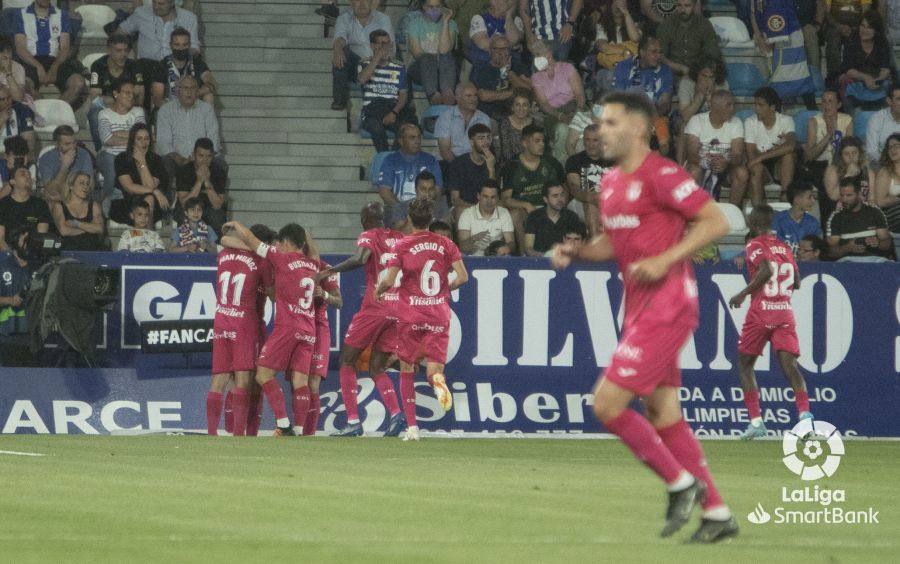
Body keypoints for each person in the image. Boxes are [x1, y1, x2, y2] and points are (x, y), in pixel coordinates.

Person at [551, 91, 736, 542]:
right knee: (663, 413)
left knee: (606, 404)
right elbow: (614, 245)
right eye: (600, 123)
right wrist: (578, 252)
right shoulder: (611, 184)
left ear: (639, 128)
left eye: (611, 123)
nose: (601, 131)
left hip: (669, 303)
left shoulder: (662, 174)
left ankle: (681, 483)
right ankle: (716, 514)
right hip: (639, 309)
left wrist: (666, 258)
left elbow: (716, 222)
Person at [376, 197, 469, 441]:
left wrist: (379, 290)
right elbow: (463, 277)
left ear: (409, 219)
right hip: (438, 313)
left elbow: (388, 279)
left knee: (407, 368)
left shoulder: (403, 245)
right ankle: (437, 381)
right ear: (431, 219)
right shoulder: (446, 244)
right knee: (434, 369)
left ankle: (413, 429)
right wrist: (443, 291)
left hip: (411, 315)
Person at [220, 221, 321, 436]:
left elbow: (251, 240)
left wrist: (237, 224)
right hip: (309, 329)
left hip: (288, 327)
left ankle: (283, 424)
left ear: (284, 242)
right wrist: (306, 236)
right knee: (300, 380)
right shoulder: (313, 264)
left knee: (263, 374)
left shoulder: (281, 258)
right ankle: (299, 430)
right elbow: (314, 253)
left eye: (280, 243)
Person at [314, 203, 406, 437]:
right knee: (377, 366)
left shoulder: (368, 235)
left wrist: (328, 271)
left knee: (347, 360)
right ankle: (396, 414)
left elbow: (361, 258)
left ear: (365, 220)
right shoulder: (400, 238)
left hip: (375, 306)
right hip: (398, 310)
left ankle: (353, 421)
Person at [728, 205, 813, 440]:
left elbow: (765, 271)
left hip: (761, 313)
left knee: (745, 365)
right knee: (790, 367)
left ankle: (756, 422)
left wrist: (744, 293)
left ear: (754, 223)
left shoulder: (754, 244)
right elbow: (796, 281)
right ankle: (805, 419)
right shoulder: (785, 247)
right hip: (784, 313)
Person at [207, 223, 275, 436]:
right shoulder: (262, 261)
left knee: (219, 379)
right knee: (245, 380)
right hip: (245, 323)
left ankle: (211, 433)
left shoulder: (223, 254)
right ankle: (239, 435)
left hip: (221, 318)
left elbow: (225, 240)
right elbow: (273, 295)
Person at [500, 124, 565, 252]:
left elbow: (564, 188)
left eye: (543, 141)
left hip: (549, 206)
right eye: (537, 141)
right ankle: (525, 254)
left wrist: (560, 202)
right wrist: (526, 204)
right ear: (524, 143)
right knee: (515, 214)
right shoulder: (512, 166)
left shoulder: (551, 163)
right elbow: (505, 199)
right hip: (525, 210)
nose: (542, 144)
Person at [13, 0, 86, 107]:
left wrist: (54, 67)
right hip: (30, 60)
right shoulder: (20, 14)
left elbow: (65, 48)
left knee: (78, 82)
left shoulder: (62, 15)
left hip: (55, 60)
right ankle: (41, 114)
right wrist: (38, 67)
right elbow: (20, 49)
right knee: (23, 85)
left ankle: (56, 111)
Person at [684, 90, 749, 205]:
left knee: (742, 173)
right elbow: (692, 155)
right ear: (715, 106)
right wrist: (710, 163)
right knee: (694, 171)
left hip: (726, 167)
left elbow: (738, 155)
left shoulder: (736, 122)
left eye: (733, 105)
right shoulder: (697, 121)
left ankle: (732, 212)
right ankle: (692, 212)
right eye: (728, 105)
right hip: (701, 164)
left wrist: (727, 162)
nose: (732, 109)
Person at [156, 75, 222, 187]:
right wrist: (181, 160)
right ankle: (166, 203)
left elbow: (213, 139)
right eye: (185, 88)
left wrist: (201, 160)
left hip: (203, 159)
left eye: (192, 88)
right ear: (177, 91)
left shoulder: (206, 109)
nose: (189, 92)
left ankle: (216, 203)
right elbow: (164, 143)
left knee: (221, 165)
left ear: (197, 91)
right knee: (164, 164)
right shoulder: (166, 110)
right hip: (175, 159)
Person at [613, 35, 674, 156]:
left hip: (655, 116)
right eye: (653, 52)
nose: (658, 56)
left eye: (660, 52)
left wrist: (650, 119)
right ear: (642, 52)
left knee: (664, 140)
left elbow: (665, 104)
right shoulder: (624, 66)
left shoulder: (665, 71)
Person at [305, 248, 343, 436]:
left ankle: (309, 433)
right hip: (298, 327)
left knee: (313, 383)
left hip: (319, 329)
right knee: (298, 382)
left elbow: (339, 302)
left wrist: (324, 295)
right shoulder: (293, 265)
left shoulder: (326, 270)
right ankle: (297, 428)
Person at [750, 0, 816, 108]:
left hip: (788, 36)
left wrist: (768, 43)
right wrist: (759, 37)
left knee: (799, 77)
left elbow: (776, 13)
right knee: (776, 82)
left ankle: (814, 114)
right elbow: (753, 12)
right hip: (769, 35)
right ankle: (776, 117)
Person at [358, 30, 415, 153]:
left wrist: (394, 112)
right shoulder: (364, 64)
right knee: (377, 129)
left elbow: (403, 96)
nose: (386, 47)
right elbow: (362, 79)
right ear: (372, 46)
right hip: (371, 111)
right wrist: (377, 57)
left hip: (392, 108)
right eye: (382, 43)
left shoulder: (399, 67)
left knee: (405, 130)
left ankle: (393, 158)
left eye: (388, 43)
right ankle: (384, 159)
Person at [87, 34, 147, 152]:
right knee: (94, 114)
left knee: (143, 113)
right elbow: (95, 95)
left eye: (126, 50)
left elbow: (140, 91)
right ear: (109, 50)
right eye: (118, 50)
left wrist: (125, 101)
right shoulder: (98, 65)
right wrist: (119, 102)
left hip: (130, 105)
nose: (123, 54)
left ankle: (141, 150)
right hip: (107, 106)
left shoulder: (134, 65)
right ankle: (101, 151)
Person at [375, 124, 444, 226]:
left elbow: (438, 189)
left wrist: (429, 208)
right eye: (412, 138)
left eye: (419, 137)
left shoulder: (430, 160)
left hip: (427, 208)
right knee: (401, 220)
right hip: (398, 206)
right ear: (401, 141)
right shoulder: (390, 160)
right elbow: (384, 191)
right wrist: (401, 208)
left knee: (444, 219)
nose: (417, 141)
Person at [331, 0, 393, 111]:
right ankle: (339, 101)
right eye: (358, 0)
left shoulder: (383, 19)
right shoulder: (344, 18)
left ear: (371, 3)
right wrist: (338, 48)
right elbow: (340, 37)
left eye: (366, 0)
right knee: (341, 52)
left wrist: (373, 62)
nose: (362, 3)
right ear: (351, 3)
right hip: (356, 66)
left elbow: (387, 47)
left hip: (378, 64)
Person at [97, 79, 146, 216]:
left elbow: (142, 138)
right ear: (116, 94)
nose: (131, 96)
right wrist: (132, 136)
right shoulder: (104, 113)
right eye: (127, 93)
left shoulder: (138, 111)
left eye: (133, 93)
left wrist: (119, 134)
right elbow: (107, 139)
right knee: (113, 174)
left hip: (132, 155)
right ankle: (103, 201)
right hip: (109, 154)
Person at [530, 39, 587, 158]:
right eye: (536, 55)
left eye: (542, 53)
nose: (540, 57)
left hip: (575, 106)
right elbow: (544, 104)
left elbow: (580, 94)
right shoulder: (536, 78)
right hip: (553, 112)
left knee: (579, 133)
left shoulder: (567, 68)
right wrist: (559, 115)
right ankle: (564, 164)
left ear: (550, 53)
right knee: (562, 130)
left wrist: (578, 112)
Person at [803, 88, 853, 219]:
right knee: (826, 182)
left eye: (831, 101)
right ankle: (829, 224)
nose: (826, 105)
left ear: (838, 105)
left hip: (841, 163)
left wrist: (836, 137)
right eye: (824, 102)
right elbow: (810, 156)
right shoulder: (814, 121)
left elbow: (849, 150)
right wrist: (828, 136)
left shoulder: (846, 120)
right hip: (819, 164)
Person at [744, 87, 796, 204]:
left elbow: (791, 146)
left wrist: (762, 155)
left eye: (761, 105)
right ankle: (758, 209)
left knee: (788, 155)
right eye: (755, 104)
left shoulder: (786, 120)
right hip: (763, 167)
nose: (756, 108)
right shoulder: (750, 122)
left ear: (772, 107)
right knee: (756, 168)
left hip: (779, 166)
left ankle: (784, 196)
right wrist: (776, 151)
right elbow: (752, 156)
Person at [826, 177, 895, 261]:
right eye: (842, 195)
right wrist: (847, 248)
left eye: (849, 195)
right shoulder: (836, 217)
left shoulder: (874, 211)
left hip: (875, 260)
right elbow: (831, 253)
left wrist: (878, 243)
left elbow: (887, 245)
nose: (844, 199)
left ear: (859, 194)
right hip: (848, 262)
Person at [114, 123, 169, 225]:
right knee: (149, 198)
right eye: (139, 139)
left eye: (147, 139)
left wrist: (143, 162)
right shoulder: (122, 158)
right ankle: (145, 236)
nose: (144, 142)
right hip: (128, 202)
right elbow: (129, 187)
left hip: (154, 204)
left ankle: (147, 237)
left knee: (149, 198)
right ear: (132, 141)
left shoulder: (156, 160)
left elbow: (150, 185)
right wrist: (155, 191)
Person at [407, 0, 459, 106]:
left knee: (447, 56)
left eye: (438, 6)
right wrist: (435, 57)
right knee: (427, 58)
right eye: (430, 7)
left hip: (444, 69)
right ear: (423, 7)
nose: (434, 10)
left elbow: (445, 50)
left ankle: (447, 93)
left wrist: (445, 22)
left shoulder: (451, 24)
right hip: (422, 69)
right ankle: (433, 95)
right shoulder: (414, 24)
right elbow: (417, 54)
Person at [565, 123, 613, 235]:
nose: (590, 144)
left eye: (595, 140)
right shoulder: (574, 160)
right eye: (587, 140)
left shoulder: (614, 160)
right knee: (590, 204)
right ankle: (595, 244)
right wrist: (591, 197)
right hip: (581, 202)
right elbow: (574, 188)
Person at [584, 0, 641, 95]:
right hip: (608, 69)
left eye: (621, 3)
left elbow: (635, 38)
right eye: (615, 2)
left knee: (630, 77)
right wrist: (625, 51)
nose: (618, 6)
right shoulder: (602, 25)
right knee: (611, 77)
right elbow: (602, 46)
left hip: (631, 69)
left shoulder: (634, 23)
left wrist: (626, 14)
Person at [470, 34, 531, 120]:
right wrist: (513, 92)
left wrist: (508, 72)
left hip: (515, 114)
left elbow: (527, 90)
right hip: (489, 114)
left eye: (504, 48)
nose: (501, 52)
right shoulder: (480, 68)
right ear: (490, 51)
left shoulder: (518, 65)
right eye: (496, 48)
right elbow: (483, 96)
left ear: (509, 51)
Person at [152, 27, 217, 107]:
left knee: (209, 96)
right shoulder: (162, 65)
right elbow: (157, 97)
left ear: (189, 45)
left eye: (184, 44)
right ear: (170, 45)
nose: (181, 48)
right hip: (171, 106)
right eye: (177, 45)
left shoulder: (197, 62)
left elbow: (211, 83)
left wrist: (192, 94)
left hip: (193, 103)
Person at [657, 0, 722, 80]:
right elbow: (660, 55)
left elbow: (711, 53)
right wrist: (680, 68)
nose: (683, 9)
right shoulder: (666, 24)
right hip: (671, 73)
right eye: (679, 5)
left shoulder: (704, 24)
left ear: (694, 5)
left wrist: (697, 71)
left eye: (687, 6)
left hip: (699, 74)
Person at [118, 0, 200, 61]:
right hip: (146, 67)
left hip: (175, 68)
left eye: (161, 4)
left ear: (172, 3)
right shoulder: (142, 13)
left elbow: (194, 47)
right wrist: (124, 50)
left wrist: (181, 54)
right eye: (154, 2)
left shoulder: (189, 18)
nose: (156, 7)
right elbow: (120, 32)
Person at [175, 138, 227, 234]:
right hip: (189, 207)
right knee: (184, 214)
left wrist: (207, 181)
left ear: (213, 157)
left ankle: (215, 246)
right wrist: (199, 182)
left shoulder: (219, 171)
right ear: (194, 155)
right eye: (201, 156)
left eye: (208, 156)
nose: (204, 160)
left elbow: (217, 204)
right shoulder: (184, 171)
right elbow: (184, 203)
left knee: (217, 216)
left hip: (209, 207)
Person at [446, 122, 496, 221]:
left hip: (488, 204)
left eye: (488, 137)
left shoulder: (492, 160)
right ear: (472, 142)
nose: (486, 142)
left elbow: (494, 193)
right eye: (481, 138)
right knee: (460, 210)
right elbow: (455, 199)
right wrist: (477, 209)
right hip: (465, 206)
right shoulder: (458, 163)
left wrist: (491, 169)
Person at [435, 83, 492, 163]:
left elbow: (484, 148)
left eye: (475, 95)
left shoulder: (484, 119)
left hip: (475, 163)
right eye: (468, 96)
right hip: (449, 162)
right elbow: (444, 151)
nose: (473, 99)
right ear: (457, 98)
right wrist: (461, 168)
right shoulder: (445, 117)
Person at [35, 125, 93, 204]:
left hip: (79, 201)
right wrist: (64, 167)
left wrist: (65, 198)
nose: (72, 147)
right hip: (56, 202)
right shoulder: (46, 158)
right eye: (67, 144)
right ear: (57, 144)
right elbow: (51, 191)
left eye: (74, 142)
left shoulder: (84, 154)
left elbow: (90, 185)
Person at [524, 183, 585, 255]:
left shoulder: (571, 216)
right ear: (545, 199)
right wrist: (543, 256)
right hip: (540, 261)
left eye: (562, 195)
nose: (560, 199)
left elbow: (577, 244)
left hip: (563, 260)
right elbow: (528, 248)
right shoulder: (534, 216)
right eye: (555, 196)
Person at [457, 179, 515, 255]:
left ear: (498, 198)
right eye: (485, 196)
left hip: (497, 258)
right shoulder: (467, 214)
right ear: (478, 196)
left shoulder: (504, 213)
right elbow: (462, 247)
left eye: (493, 197)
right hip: (472, 259)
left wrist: (505, 248)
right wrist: (474, 239)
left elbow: (511, 243)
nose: (489, 201)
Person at [50, 171, 104, 251]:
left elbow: (99, 228)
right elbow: (64, 231)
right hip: (68, 251)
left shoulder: (94, 205)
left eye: (87, 183)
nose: (85, 186)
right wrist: (89, 229)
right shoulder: (59, 206)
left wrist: (76, 224)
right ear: (71, 186)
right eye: (81, 183)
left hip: (92, 250)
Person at [0, 166, 49, 251]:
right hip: (8, 254)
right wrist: (13, 255)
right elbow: (1, 239)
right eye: (23, 174)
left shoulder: (40, 204)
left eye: (29, 174)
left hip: (33, 253)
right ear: (13, 181)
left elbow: (41, 236)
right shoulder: (3, 204)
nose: (28, 177)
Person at [468, 0, 524, 68]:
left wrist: (508, 16)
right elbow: (484, 45)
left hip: (512, 66)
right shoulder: (479, 18)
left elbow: (514, 39)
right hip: (484, 66)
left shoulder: (516, 20)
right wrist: (510, 46)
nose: (502, 3)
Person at [823, 135, 874, 208]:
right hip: (839, 212)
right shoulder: (833, 170)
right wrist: (848, 175)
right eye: (846, 154)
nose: (851, 157)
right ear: (841, 156)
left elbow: (872, 199)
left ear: (860, 153)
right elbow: (833, 197)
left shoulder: (868, 173)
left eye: (854, 153)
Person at [773, 180, 822, 255]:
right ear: (797, 200)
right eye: (809, 197)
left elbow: (814, 252)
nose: (813, 200)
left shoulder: (813, 223)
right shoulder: (778, 220)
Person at [495, 88, 540, 167]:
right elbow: (506, 153)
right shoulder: (505, 124)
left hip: (533, 163)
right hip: (511, 165)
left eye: (525, 105)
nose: (521, 109)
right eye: (517, 105)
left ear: (529, 107)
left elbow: (540, 148)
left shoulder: (536, 124)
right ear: (512, 107)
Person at [865, 83, 900, 165]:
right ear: (889, 101)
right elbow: (872, 152)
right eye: (899, 99)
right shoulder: (877, 119)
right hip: (883, 164)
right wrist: (891, 164)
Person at [874, 132, 900, 233]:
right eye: (889, 147)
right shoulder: (885, 172)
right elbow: (880, 202)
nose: (892, 150)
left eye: (896, 146)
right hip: (893, 216)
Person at [0, 85, 35, 156]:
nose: (7, 102)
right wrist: (1, 120)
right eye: (2, 99)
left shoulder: (22, 111)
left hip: (17, 156)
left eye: (9, 97)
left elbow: (29, 144)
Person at [0, 36, 27, 106]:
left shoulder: (18, 67)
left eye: (8, 51)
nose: (6, 55)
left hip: (12, 106)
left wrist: (8, 72)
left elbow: (18, 98)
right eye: (2, 52)